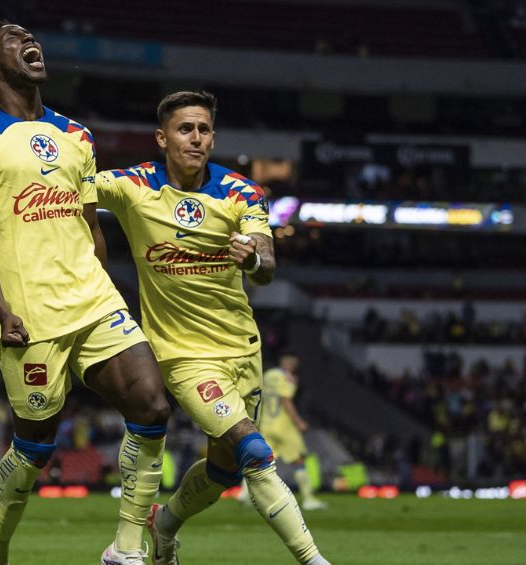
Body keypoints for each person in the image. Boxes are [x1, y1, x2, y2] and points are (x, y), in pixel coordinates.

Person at [0, 21, 170, 565]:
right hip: (29, 314)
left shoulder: (78, 135)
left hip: (94, 301)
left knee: (151, 404)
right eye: (11, 39)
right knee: (35, 445)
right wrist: (0, 309)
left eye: (31, 37)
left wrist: (107, 284)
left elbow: (89, 222)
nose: (30, 42)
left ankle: (125, 548)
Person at [95, 92, 331, 565]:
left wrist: (256, 260)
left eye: (203, 129)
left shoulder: (241, 192)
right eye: (185, 129)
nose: (196, 138)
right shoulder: (132, 185)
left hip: (242, 348)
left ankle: (164, 526)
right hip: (181, 354)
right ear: (162, 138)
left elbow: (266, 261)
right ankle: (314, 560)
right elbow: (66, 190)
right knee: (255, 451)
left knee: (224, 473)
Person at [239, 353, 327, 511]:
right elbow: (285, 400)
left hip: (267, 424)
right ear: (292, 363)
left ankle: (244, 492)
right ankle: (308, 498)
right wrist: (299, 422)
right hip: (284, 426)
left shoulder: (267, 375)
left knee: (259, 460)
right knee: (299, 459)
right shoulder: (287, 377)